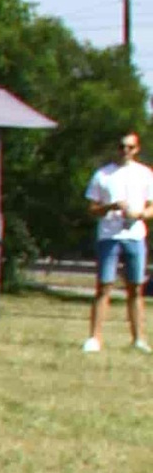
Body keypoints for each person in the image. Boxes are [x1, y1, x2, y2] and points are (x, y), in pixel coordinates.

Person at [82, 128, 152, 355]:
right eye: (122, 146)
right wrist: (111, 207)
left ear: (136, 149)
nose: (125, 151)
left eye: (130, 147)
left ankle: (139, 339)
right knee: (104, 286)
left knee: (135, 288)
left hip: (135, 236)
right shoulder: (103, 175)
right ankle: (94, 338)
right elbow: (92, 208)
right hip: (109, 236)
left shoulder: (144, 174)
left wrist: (140, 214)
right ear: (116, 149)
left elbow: (151, 206)